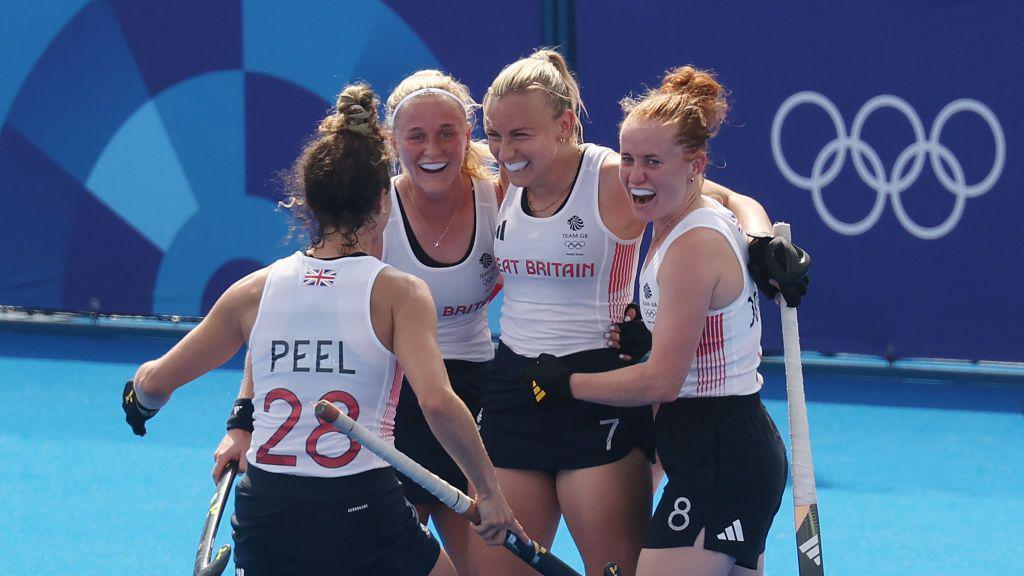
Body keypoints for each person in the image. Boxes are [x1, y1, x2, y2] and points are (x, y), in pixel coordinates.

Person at [122, 83, 523, 576]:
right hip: (362, 505)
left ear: (308, 201)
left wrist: (139, 397)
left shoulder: (255, 290)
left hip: (267, 510)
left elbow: (159, 381)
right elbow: (438, 403)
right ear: (383, 200)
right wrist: (489, 492)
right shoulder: (400, 293)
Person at [475, 49, 776, 576]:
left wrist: (762, 244)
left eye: (520, 134)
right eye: (494, 135)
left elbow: (733, 202)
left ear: (565, 124)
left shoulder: (620, 179)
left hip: (603, 392)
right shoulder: (499, 181)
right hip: (517, 387)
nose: (504, 151)